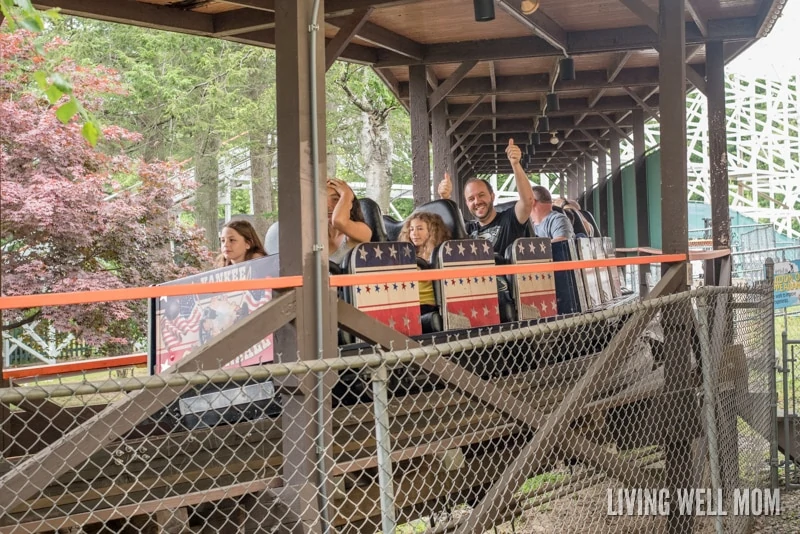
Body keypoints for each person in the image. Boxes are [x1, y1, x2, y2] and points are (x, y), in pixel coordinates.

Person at [437, 138, 533, 255]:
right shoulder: (467, 229)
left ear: (492, 196)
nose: (477, 201)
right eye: (471, 199)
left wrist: (516, 164)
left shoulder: (509, 220)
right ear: (467, 204)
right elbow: (443, 227)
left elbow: (527, 201)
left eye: (481, 195)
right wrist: (445, 198)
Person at [398, 212, 451, 314]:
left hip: (426, 304)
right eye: (412, 229)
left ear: (432, 231)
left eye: (420, 229)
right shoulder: (409, 254)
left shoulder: (438, 255)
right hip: (408, 301)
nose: (414, 233)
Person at [327, 177, 371, 264]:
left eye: (336, 199)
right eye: (321, 199)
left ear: (349, 203)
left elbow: (339, 221)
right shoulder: (311, 236)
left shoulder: (364, 231)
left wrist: (346, 193)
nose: (327, 206)